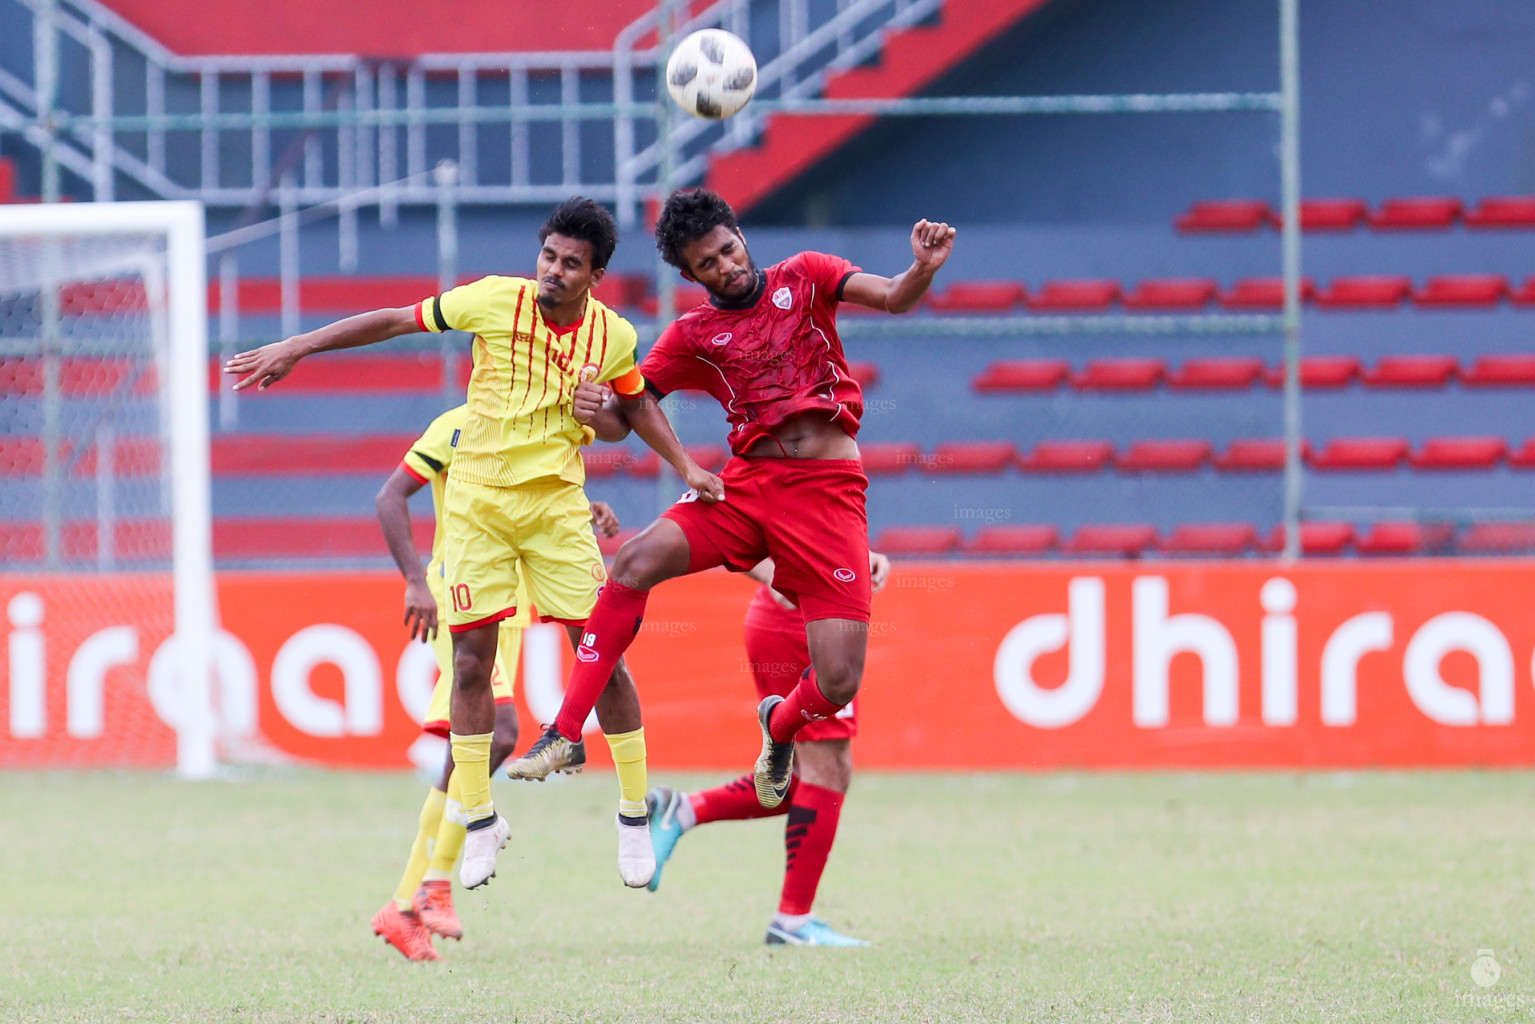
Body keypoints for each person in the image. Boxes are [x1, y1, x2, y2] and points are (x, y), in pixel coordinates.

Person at [225, 198, 722, 892]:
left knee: (601, 657)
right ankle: (480, 819)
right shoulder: (491, 300)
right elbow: (397, 320)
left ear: (596, 275)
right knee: (469, 669)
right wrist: (299, 346)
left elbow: (632, 407)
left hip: (554, 511)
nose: (552, 271)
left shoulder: (612, 336)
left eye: (570, 264)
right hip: (478, 514)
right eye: (548, 256)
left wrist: (686, 466)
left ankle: (634, 815)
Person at [505, 188, 953, 820]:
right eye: (708, 263)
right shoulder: (692, 334)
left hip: (828, 495)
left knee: (838, 680)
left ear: (740, 235)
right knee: (634, 561)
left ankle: (780, 725)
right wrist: (594, 411)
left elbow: (893, 297)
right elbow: (629, 410)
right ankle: (566, 731)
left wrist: (922, 270)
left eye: (728, 249)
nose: (727, 266)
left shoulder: (808, 274)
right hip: (746, 485)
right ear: (689, 275)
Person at [369, 402, 619, 960]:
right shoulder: (453, 426)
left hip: (507, 604)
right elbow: (390, 496)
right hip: (455, 595)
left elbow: (532, 503)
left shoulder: (541, 423)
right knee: (500, 733)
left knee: (467, 753)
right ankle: (432, 887)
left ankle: (407, 904)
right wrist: (415, 581)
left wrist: (585, 511)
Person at [645, 550, 890, 947]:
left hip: (816, 622)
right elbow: (735, 533)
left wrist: (862, 557)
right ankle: (793, 921)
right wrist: (788, 580)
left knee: (811, 776)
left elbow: (815, 529)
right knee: (826, 772)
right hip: (802, 626)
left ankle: (685, 809)